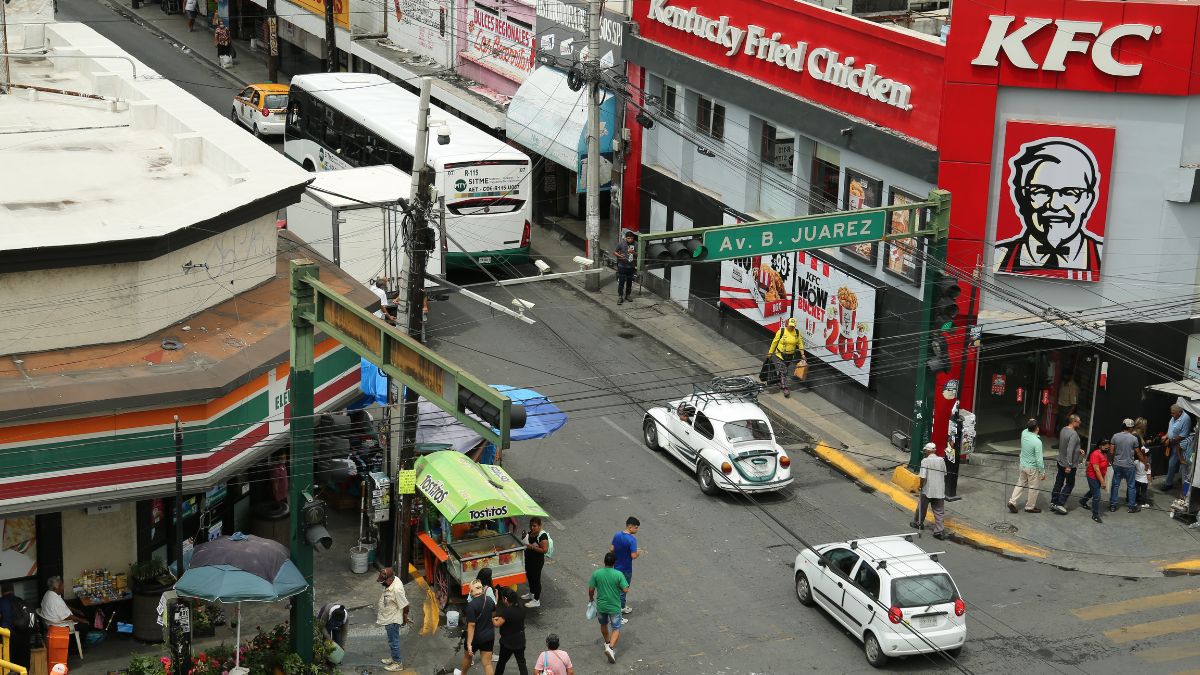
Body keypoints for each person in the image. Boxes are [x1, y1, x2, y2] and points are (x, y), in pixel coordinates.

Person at [993, 139, 1104, 278]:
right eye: (1041, 191)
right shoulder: (997, 258)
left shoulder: (1103, 259)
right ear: (1020, 197)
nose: (1055, 205)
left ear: (1088, 200)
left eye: (1070, 193)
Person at [588, 552, 629, 664]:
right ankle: (610, 648)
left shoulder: (597, 574)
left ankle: (607, 642)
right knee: (616, 628)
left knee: (603, 624)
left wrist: (591, 599)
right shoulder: (618, 574)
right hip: (614, 606)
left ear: (604, 561)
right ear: (614, 562)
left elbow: (591, 589)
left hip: (601, 606)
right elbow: (625, 590)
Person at [458, 580, 496, 675]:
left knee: (467, 658)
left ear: (471, 592)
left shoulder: (471, 605)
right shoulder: (490, 600)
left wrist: (469, 644)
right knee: (487, 664)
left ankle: (463, 674)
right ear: (482, 589)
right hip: (489, 636)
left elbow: (471, 625)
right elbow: (493, 614)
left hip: (475, 638)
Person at [910, 443, 947, 540]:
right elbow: (944, 473)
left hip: (928, 489)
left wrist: (920, 486)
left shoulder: (925, 461)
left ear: (928, 451)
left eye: (925, 450)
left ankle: (918, 523)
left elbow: (923, 477)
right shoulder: (941, 460)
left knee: (921, 507)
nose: (924, 452)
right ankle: (939, 531)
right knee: (939, 511)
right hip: (939, 490)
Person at [375, 567, 410, 672]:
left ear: (389, 580)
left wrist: (404, 618)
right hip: (388, 617)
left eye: (383, 582)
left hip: (393, 619)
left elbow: (406, 605)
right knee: (391, 641)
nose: (382, 584)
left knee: (393, 642)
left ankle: (398, 663)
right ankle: (394, 658)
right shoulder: (393, 581)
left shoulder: (396, 589)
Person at [1008, 419, 1046, 513]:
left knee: (1020, 483)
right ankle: (1029, 507)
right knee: (1033, 487)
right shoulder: (1037, 442)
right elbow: (1039, 460)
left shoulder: (1024, 433)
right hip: (1032, 468)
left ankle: (1012, 501)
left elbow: (1029, 427)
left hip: (1023, 465)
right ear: (1037, 428)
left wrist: (1031, 422)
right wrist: (1042, 472)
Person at [1049, 414, 1085, 514]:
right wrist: (1069, 465)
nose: (1080, 422)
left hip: (1060, 461)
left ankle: (1053, 501)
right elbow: (1069, 450)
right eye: (1079, 421)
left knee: (1059, 482)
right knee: (1070, 483)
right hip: (1069, 464)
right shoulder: (1073, 434)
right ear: (1074, 422)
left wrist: (1078, 449)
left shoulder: (1063, 430)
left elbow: (1065, 445)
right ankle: (1060, 504)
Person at [767, 317, 805, 398]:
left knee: (783, 370)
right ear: (787, 324)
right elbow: (774, 342)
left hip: (790, 356)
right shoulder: (781, 331)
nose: (791, 327)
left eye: (793, 326)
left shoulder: (797, 333)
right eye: (790, 325)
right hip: (780, 355)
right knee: (784, 371)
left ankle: (779, 381)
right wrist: (770, 353)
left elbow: (800, 343)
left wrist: (802, 354)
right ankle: (785, 387)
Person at [492, 589, 528, 675]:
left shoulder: (508, 611)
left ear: (505, 599)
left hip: (508, 642)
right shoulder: (521, 607)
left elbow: (497, 624)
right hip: (520, 639)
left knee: (502, 662)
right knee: (521, 663)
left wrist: (491, 618)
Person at [610, 516, 640, 615]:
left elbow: (611, 549)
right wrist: (638, 552)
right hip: (626, 569)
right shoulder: (632, 540)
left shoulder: (617, 535)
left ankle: (621, 606)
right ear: (630, 527)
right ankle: (618, 612)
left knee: (617, 589)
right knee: (623, 590)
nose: (637, 529)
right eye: (636, 527)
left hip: (616, 567)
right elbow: (634, 556)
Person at [0, 582, 32, 670]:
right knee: (24, 666)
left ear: (2, 592)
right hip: (24, 638)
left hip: (8, 639)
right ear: (13, 590)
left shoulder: (1, 603)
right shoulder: (21, 601)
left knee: (10, 667)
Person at [1111, 419, 1140, 513]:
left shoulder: (1115, 436)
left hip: (1117, 464)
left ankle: (1113, 505)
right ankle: (1131, 506)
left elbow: (1111, 451)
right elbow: (1138, 452)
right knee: (1131, 486)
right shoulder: (1134, 439)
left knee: (1115, 485)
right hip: (1129, 465)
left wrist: (1112, 461)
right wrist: (1144, 461)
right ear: (1131, 428)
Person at [1080, 440, 1112, 523]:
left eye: (1108, 447)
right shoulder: (1095, 454)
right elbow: (1096, 469)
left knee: (1093, 490)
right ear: (1100, 446)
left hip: (1099, 476)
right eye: (1106, 447)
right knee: (1097, 495)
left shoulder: (1104, 454)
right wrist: (1102, 482)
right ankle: (1095, 515)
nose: (1107, 449)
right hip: (1092, 476)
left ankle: (1083, 501)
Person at [1163, 404, 1192, 494]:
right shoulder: (1174, 416)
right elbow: (1171, 429)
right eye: (1171, 413)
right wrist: (1166, 436)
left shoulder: (1186, 419)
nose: (1172, 415)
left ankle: (1169, 484)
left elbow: (1183, 435)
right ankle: (1179, 480)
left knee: (1174, 464)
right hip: (1172, 444)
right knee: (1177, 465)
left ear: (1180, 412)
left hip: (1180, 446)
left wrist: (1171, 440)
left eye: (1173, 413)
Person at [521, 517, 549, 609]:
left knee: (536, 579)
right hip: (529, 560)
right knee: (530, 577)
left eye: (535, 526)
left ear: (540, 526)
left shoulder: (542, 536)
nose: (532, 528)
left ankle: (536, 600)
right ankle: (531, 593)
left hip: (537, 562)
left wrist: (532, 547)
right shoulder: (531, 533)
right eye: (531, 525)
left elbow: (544, 550)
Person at [614, 231, 637, 304]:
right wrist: (620, 256)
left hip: (631, 266)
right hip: (622, 266)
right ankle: (620, 296)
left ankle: (628, 295)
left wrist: (633, 252)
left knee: (630, 281)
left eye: (631, 238)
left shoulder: (636, 244)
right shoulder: (621, 243)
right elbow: (615, 252)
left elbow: (639, 254)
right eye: (628, 238)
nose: (630, 240)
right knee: (621, 281)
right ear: (626, 238)